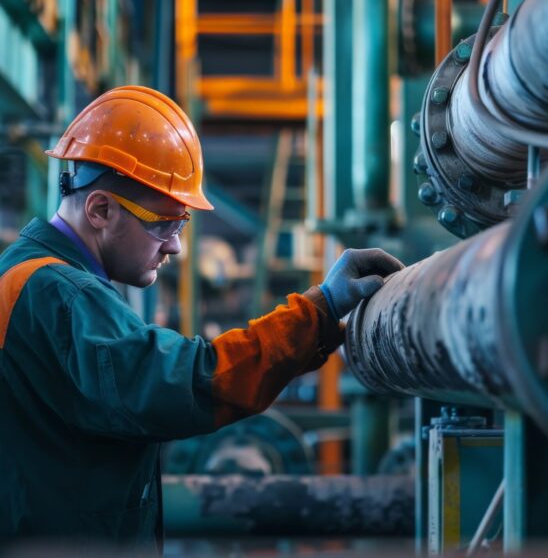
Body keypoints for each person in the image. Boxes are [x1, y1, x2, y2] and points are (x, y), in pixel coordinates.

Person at [0, 86, 403, 551]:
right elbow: (186, 383)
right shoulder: (60, 295)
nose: (174, 245)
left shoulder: (27, 274)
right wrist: (317, 310)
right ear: (101, 210)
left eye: (181, 224)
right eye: (163, 224)